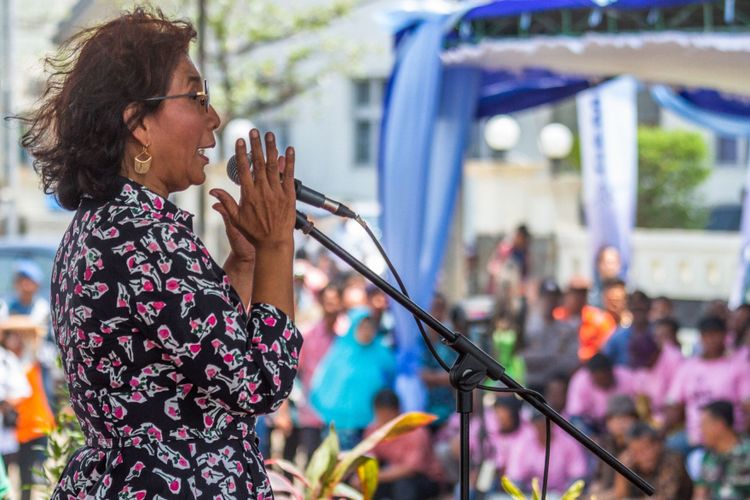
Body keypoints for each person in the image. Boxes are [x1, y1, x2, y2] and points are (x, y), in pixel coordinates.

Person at [21, 8, 302, 498]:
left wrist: (246, 264)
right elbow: (259, 383)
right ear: (139, 124)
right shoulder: (142, 237)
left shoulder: (111, 225)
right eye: (195, 97)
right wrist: (278, 244)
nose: (213, 118)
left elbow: (202, 368)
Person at [664, 316, 750, 456]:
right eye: (706, 335)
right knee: (667, 449)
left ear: (725, 336)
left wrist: (739, 440)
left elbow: (748, 407)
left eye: (715, 334)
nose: (711, 339)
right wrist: (660, 433)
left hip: (727, 439)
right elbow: (673, 404)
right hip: (693, 438)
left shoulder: (738, 366)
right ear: (700, 337)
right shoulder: (688, 367)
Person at [310, 311, 396, 450]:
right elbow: (323, 383)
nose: (366, 331)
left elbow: (392, 380)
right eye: (361, 327)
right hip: (340, 424)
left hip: (372, 425)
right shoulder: (340, 352)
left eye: (370, 327)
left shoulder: (382, 353)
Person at [0, 316, 55, 500]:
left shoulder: (29, 360)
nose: (14, 339)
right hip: (14, 429)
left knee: (27, 474)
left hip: (32, 425)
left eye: (17, 335)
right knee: (8, 474)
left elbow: (35, 334)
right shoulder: (7, 360)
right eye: (10, 335)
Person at [365, 389, 443, 500]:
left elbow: (410, 469)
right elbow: (369, 457)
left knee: (404, 486)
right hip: (389, 474)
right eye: (380, 415)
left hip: (423, 478)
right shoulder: (373, 430)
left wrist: (376, 476)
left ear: (397, 411)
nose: (384, 420)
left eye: (388, 415)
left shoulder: (415, 431)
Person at [505, 410, 587, 495]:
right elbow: (515, 478)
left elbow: (578, 476)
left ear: (552, 423)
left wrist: (565, 496)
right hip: (531, 495)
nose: (541, 426)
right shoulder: (523, 444)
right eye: (537, 422)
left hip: (561, 495)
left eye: (544, 422)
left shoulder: (568, 443)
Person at [521, 279, 579, 390]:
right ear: (540, 298)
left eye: (554, 298)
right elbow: (524, 359)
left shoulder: (566, 329)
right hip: (532, 385)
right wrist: (554, 356)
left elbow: (571, 362)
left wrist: (544, 360)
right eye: (547, 298)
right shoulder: (528, 327)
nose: (550, 302)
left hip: (557, 387)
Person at [613, 422, 693, 499]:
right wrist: (622, 473)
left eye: (646, 449)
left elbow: (663, 497)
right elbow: (620, 497)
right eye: (636, 452)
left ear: (658, 445)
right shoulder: (631, 463)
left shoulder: (672, 459)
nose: (644, 456)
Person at [565, 353, 634, 435]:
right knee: (576, 423)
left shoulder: (625, 375)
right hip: (594, 425)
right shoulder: (580, 381)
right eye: (600, 379)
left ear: (612, 371)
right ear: (592, 376)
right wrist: (592, 437)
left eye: (605, 377)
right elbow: (575, 414)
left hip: (622, 419)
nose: (603, 381)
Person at [694, 400, 750, 499]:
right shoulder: (709, 456)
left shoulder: (747, 453)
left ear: (719, 425)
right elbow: (700, 494)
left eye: (704, 425)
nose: (701, 430)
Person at [553, 276, 616, 362]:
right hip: (559, 365)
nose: (579, 297)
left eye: (583, 293)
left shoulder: (599, 319)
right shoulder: (556, 316)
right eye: (575, 293)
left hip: (589, 366)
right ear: (567, 294)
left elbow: (606, 347)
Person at [589, 395, 640, 496]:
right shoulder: (606, 443)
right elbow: (598, 480)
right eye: (616, 418)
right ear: (608, 422)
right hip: (609, 492)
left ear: (635, 420)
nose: (621, 423)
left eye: (626, 417)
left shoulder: (640, 443)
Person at [603, 290, 652, 367]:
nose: (639, 313)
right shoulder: (618, 337)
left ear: (648, 308)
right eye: (636, 309)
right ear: (630, 309)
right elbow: (605, 363)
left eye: (641, 309)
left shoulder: (657, 335)